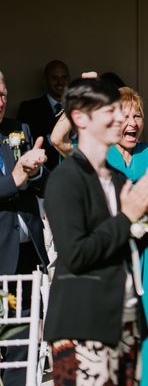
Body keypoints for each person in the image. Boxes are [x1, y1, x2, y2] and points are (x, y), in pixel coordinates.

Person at [49, 74, 148, 386]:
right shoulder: (79, 168)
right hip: (91, 289)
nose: (129, 121)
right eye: (119, 114)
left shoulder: (133, 165)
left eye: (135, 115)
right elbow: (58, 140)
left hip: (133, 284)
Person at [0, 71, 49, 386]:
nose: (1, 101)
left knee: (20, 340)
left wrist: (34, 172)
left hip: (23, 255)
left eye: (3, 93)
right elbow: (13, 181)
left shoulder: (18, 129)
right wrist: (13, 181)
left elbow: (43, 182)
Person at [18, 60, 70, 170]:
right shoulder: (29, 109)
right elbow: (27, 146)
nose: (60, 82)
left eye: (64, 77)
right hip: (43, 176)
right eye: (54, 78)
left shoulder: (79, 108)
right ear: (45, 80)